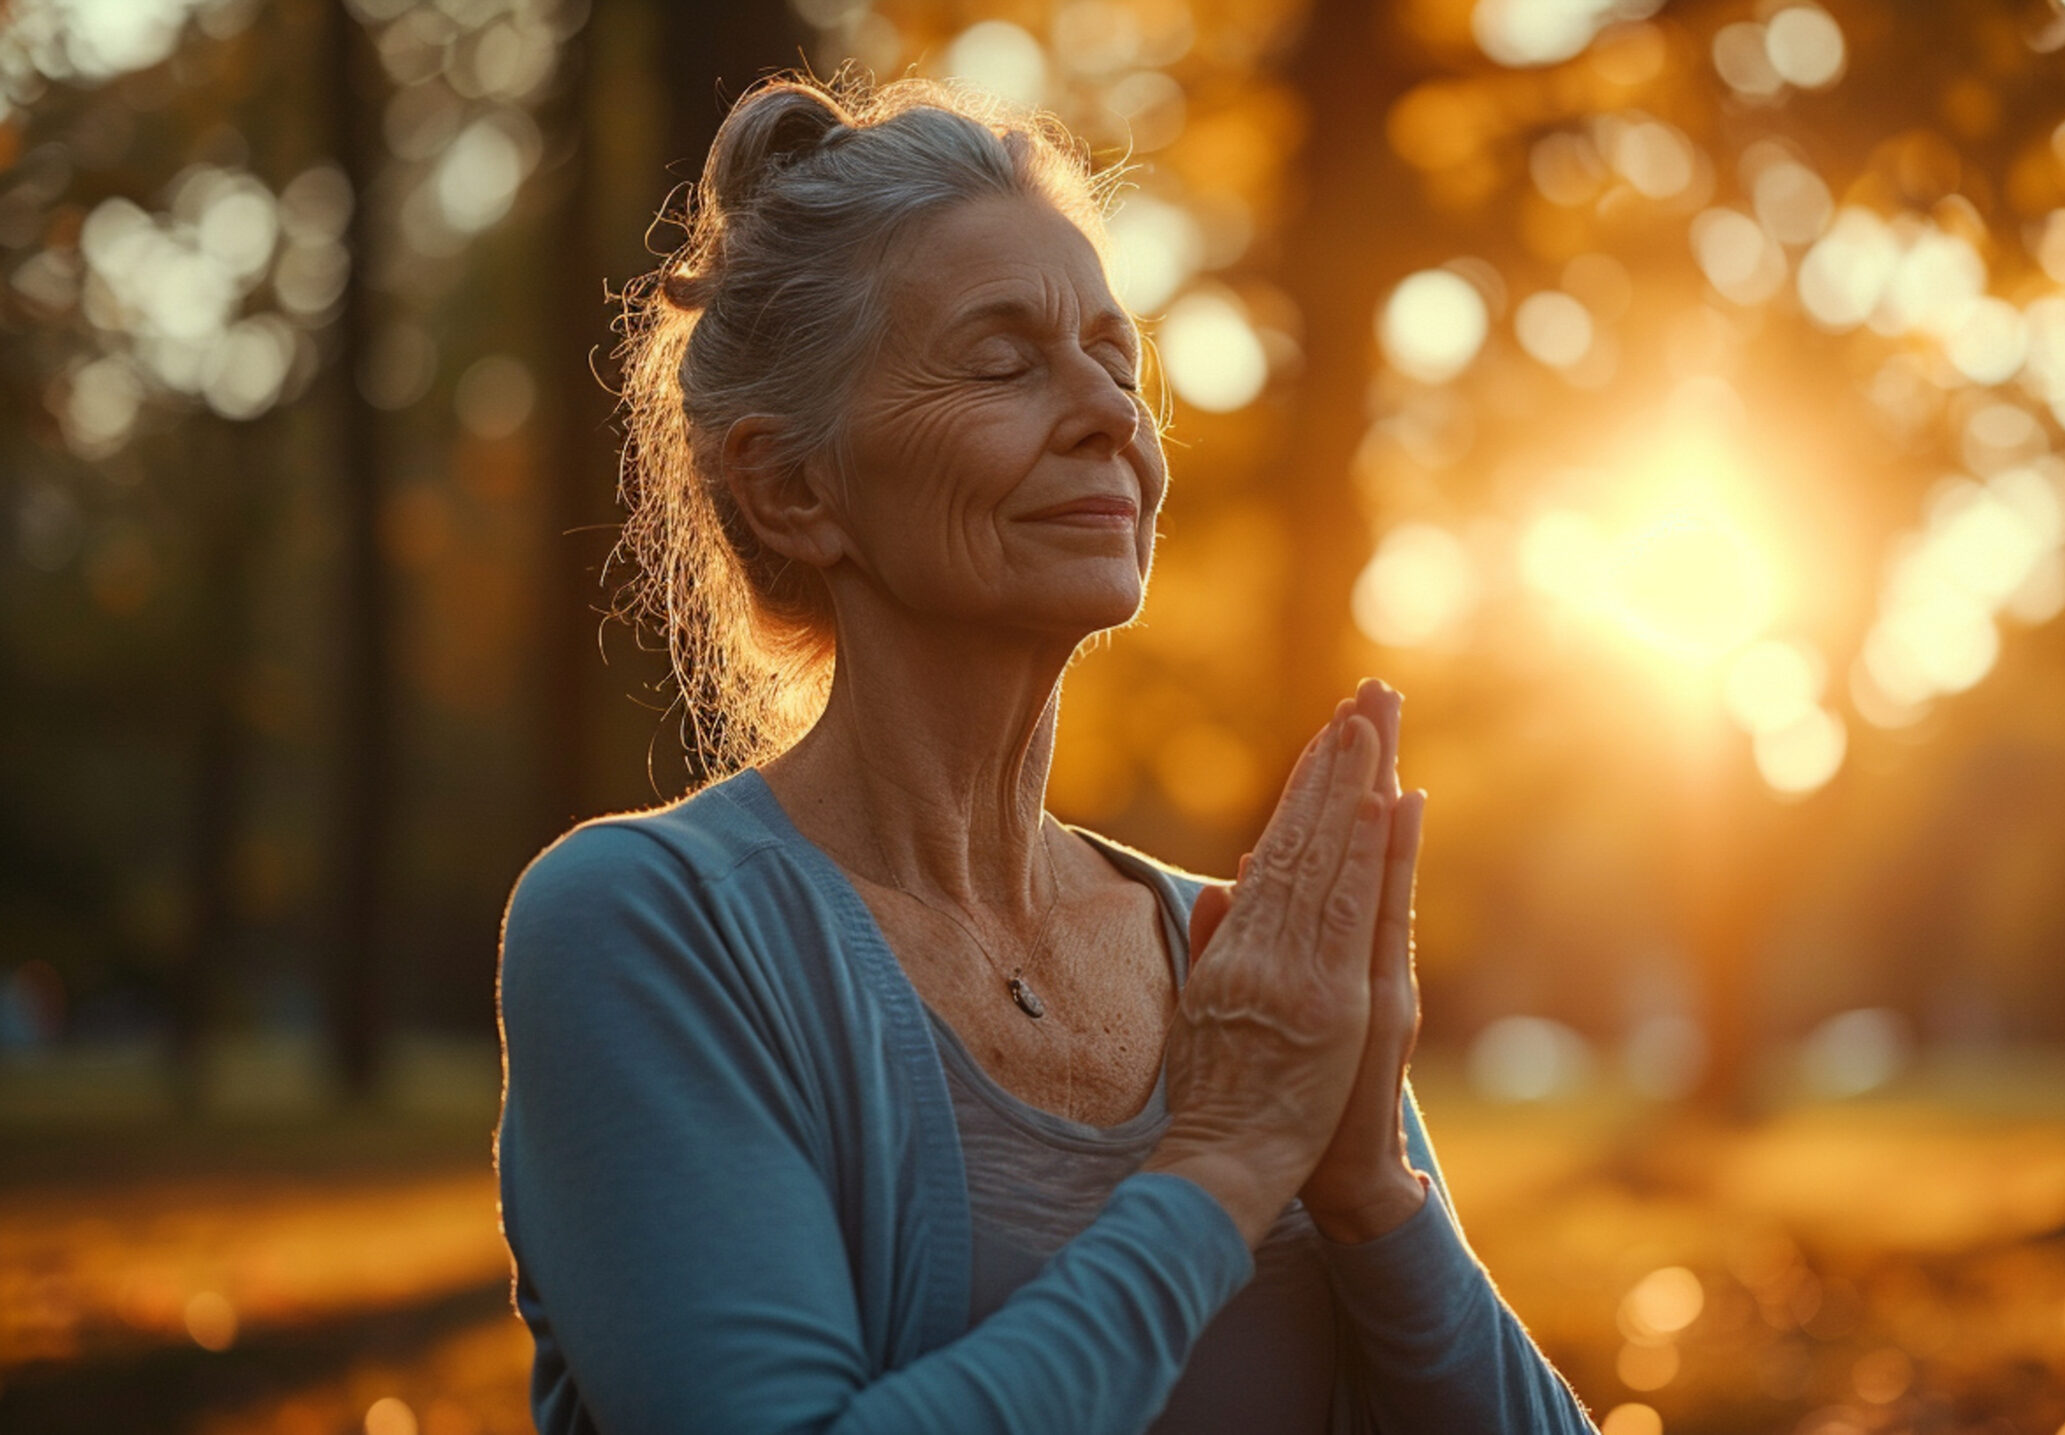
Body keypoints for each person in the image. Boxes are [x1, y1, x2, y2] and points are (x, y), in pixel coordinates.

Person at [494, 71, 1595, 1435]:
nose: (1112, 417)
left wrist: (1369, 1187)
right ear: (795, 486)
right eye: (1005, 362)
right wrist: (1221, 1173)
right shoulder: (646, 925)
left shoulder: (1238, 968)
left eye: (1116, 361)